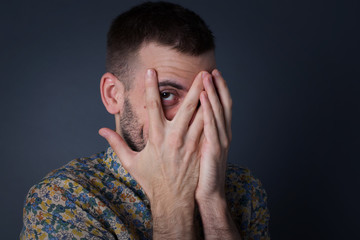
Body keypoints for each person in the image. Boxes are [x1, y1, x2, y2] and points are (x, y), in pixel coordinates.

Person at [20, 2, 270, 239]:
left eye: (205, 96)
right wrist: (172, 200)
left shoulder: (243, 189)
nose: (193, 117)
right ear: (113, 94)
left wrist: (212, 200)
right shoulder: (63, 198)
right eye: (166, 95)